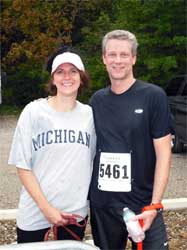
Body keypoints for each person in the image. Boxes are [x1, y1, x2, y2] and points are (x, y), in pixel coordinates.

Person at [89, 30, 172, 250]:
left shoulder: (153, 96)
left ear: (134, 58)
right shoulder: (96, 100)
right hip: (104, 205)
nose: (118, 60)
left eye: (124, 55)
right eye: (112, 54)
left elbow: (164, 153)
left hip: (143, 204)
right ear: (104, 58)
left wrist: (155, 204)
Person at [8, 47, 96, 243]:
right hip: (35, 213)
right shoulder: (33, 112)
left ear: (81, 77)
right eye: (60, 71)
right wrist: (47, 209)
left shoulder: (90, 115)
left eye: (73, 71)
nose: (67, 76)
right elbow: (23, 166)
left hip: (73, 213)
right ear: (53, 78)